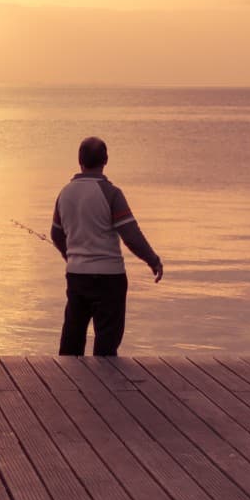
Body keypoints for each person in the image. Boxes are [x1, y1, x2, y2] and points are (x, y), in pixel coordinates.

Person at [51, 136, 162, 356]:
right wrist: (153, 259)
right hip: (110, 279)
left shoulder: (65, 194)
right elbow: (130, 235)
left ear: (79, 160)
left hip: (76, 275)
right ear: (106, 160)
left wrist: (70, 255)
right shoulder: (111, 194)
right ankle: (104, 385)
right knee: (107, 341)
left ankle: (66, 384)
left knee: (73, 336)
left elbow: (56, 234)